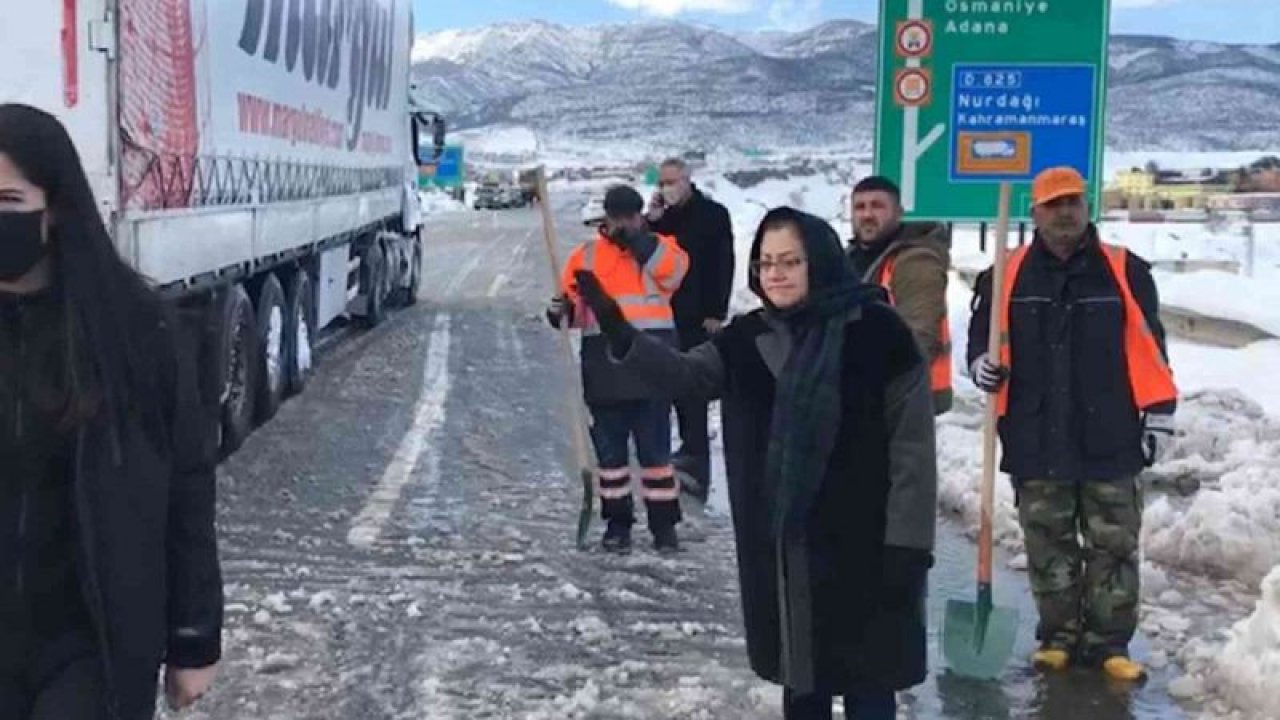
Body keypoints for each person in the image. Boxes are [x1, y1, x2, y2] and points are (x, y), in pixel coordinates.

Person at [574, 207, 937, 719]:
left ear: (821, 260)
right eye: (766, 263)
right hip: (785, 549)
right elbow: (684, 377)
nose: (777, 274)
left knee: (869, 683)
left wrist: (909, 546)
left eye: (791, 261)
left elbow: (913, 451)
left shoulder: (879, 334)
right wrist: (623, 336)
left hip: (869, 547)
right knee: (802, 680)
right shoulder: (746, 338)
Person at [0, 104, 223, 719]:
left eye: (8, 199)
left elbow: (186, 485)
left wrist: (193, 637)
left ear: (57, 208)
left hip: (90, 643)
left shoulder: (133, 331)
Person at [967, 166, 1177, 682]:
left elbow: (1152, 347)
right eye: (1054, 204)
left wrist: (1161, 416)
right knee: (1048, 542)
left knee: (1114, 546)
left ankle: (1109, 644)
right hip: (1036, 434)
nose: (1065, 212)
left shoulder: (1125, 271)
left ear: (1086, 208)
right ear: (1034, 213)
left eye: (1073, 202)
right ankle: (1058, 637)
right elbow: (981, 341)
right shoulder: (1005, 274)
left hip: (1111, 434)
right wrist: (980, 366)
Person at [547, 184, 690, 554]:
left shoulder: (663, 249)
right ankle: (617, 524)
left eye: (631, 216)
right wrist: (561, 312)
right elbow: (575, 311)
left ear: (640, 215)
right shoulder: (586, 256)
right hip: (605, 366)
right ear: (606, 217)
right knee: (611, 459)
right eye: (617, 217)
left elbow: (673, 275)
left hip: (653, 365)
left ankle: (664, 526)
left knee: (656, 455)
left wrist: (639, 244)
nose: (624, 223)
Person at [645, 157, 735, 503]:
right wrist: (651, 222)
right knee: (661, 386)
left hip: (697, 315)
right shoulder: (660, 220)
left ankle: (696, 465)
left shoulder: (712, 215)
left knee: (692, 390)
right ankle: (664, 460)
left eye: (673, 181)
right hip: (660, 314)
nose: (667, 188)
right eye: (662, 183)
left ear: (687, 180)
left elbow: (722, 263)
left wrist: (717, 311)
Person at [847, 176, 953, 415]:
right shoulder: (853, 258)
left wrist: (879, 385)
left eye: (877, 205)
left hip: (906, 397)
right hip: (868, 392)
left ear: (899, 212)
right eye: (860, 207)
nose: (867, 214)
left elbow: (920, 335)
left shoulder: (914, 262)